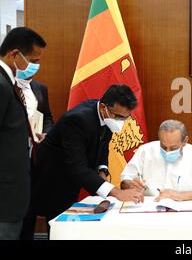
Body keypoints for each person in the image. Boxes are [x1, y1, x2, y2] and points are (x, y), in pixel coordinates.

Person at [31, 84, 144, 222]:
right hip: (52, 180)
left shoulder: (108, 116)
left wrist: (102, 170)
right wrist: (116, 192)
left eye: (125, 118)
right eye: (119, 117)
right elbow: (77, 167)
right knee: (58, 228)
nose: (121, 122)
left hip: (71, 181)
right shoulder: (76, 120)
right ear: (103, 108)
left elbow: (103, 147)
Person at [0, 27, 46, 240]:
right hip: (5, 192)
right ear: (14, 54)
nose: (35, 66)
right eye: (32, 60)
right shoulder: (1, 84)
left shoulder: (10, 82)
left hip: (15, 187)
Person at [121, 119, 192, 201]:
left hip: (185, 210)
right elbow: (125, 180)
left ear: (185, 141)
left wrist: (179, 195)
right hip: (150, 207)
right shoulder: (145, 150)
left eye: (173, 148)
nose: (167, 152)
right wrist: (129, 184)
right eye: (163, 146)